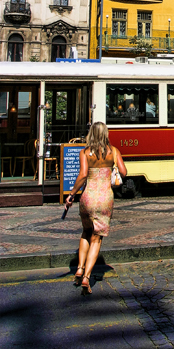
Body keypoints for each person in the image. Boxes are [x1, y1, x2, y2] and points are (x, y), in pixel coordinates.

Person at [65, 121, 127, 295]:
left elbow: (83, 175)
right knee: (97, 238)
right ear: (105, 134)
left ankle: (79, 268)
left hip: (87, 197)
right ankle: (86, 277)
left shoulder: (84, 152)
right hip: (104, 199)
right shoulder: (113, 151)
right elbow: (124, 172)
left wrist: (71, 195)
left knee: (86, 231)